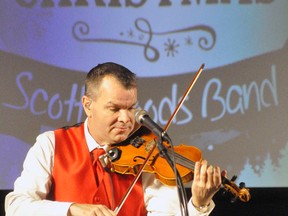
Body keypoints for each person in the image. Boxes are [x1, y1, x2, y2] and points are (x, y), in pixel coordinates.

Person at [5, 62, 225, 216]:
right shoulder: (50, 144)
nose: (126, 119)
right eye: (114, 108)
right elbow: (16, 207)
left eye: (131, 108)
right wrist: (71, 209)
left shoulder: (152, 155)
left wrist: (198, 204)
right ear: (87, 105)